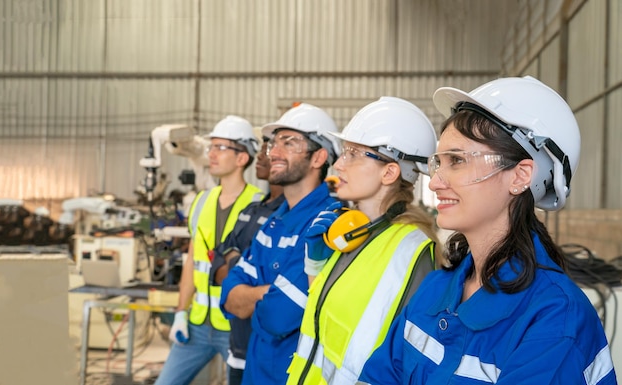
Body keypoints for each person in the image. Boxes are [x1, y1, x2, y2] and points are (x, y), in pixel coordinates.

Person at [358, 76, 617, 384]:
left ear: (520, 176)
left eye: (457, 160)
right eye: (439, 163)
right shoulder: (436, 288)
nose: (436, 181)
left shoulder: (555, 319)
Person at [286, 96, 441, 385]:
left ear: (390, 171)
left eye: (354, 154)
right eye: (344, 152)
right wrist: (315, 265)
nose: (339, 165)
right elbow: (327, 317)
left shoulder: (413, 252)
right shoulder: (353, 232)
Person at [220, 103, 341, 385]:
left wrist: (254, 295)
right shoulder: (276, 219)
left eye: (289, 143)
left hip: (292, 376)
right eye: (275, 143)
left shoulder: (327, 223)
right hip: (256, 370)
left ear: (318, 157)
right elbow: (230, 297)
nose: (273, 152)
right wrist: (269, 292)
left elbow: (278, 316)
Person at [155, 115, 263, 385]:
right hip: (197, 325)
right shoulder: (202, 201)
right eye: (211, 146)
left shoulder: (259, 207)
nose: (211, 154)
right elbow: (193, 260)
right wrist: (181, 312)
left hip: (236, 328)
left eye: (221, 148)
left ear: (242, 158)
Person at [210, 132, 285, 385]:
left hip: (266, 346)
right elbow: (218, 259)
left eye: (269, 150)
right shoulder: (252, 210)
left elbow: (274, 282)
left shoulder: (288, 215)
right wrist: (240, 269)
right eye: (265, 149)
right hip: (238, 345)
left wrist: (237, 265)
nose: (263, 157)